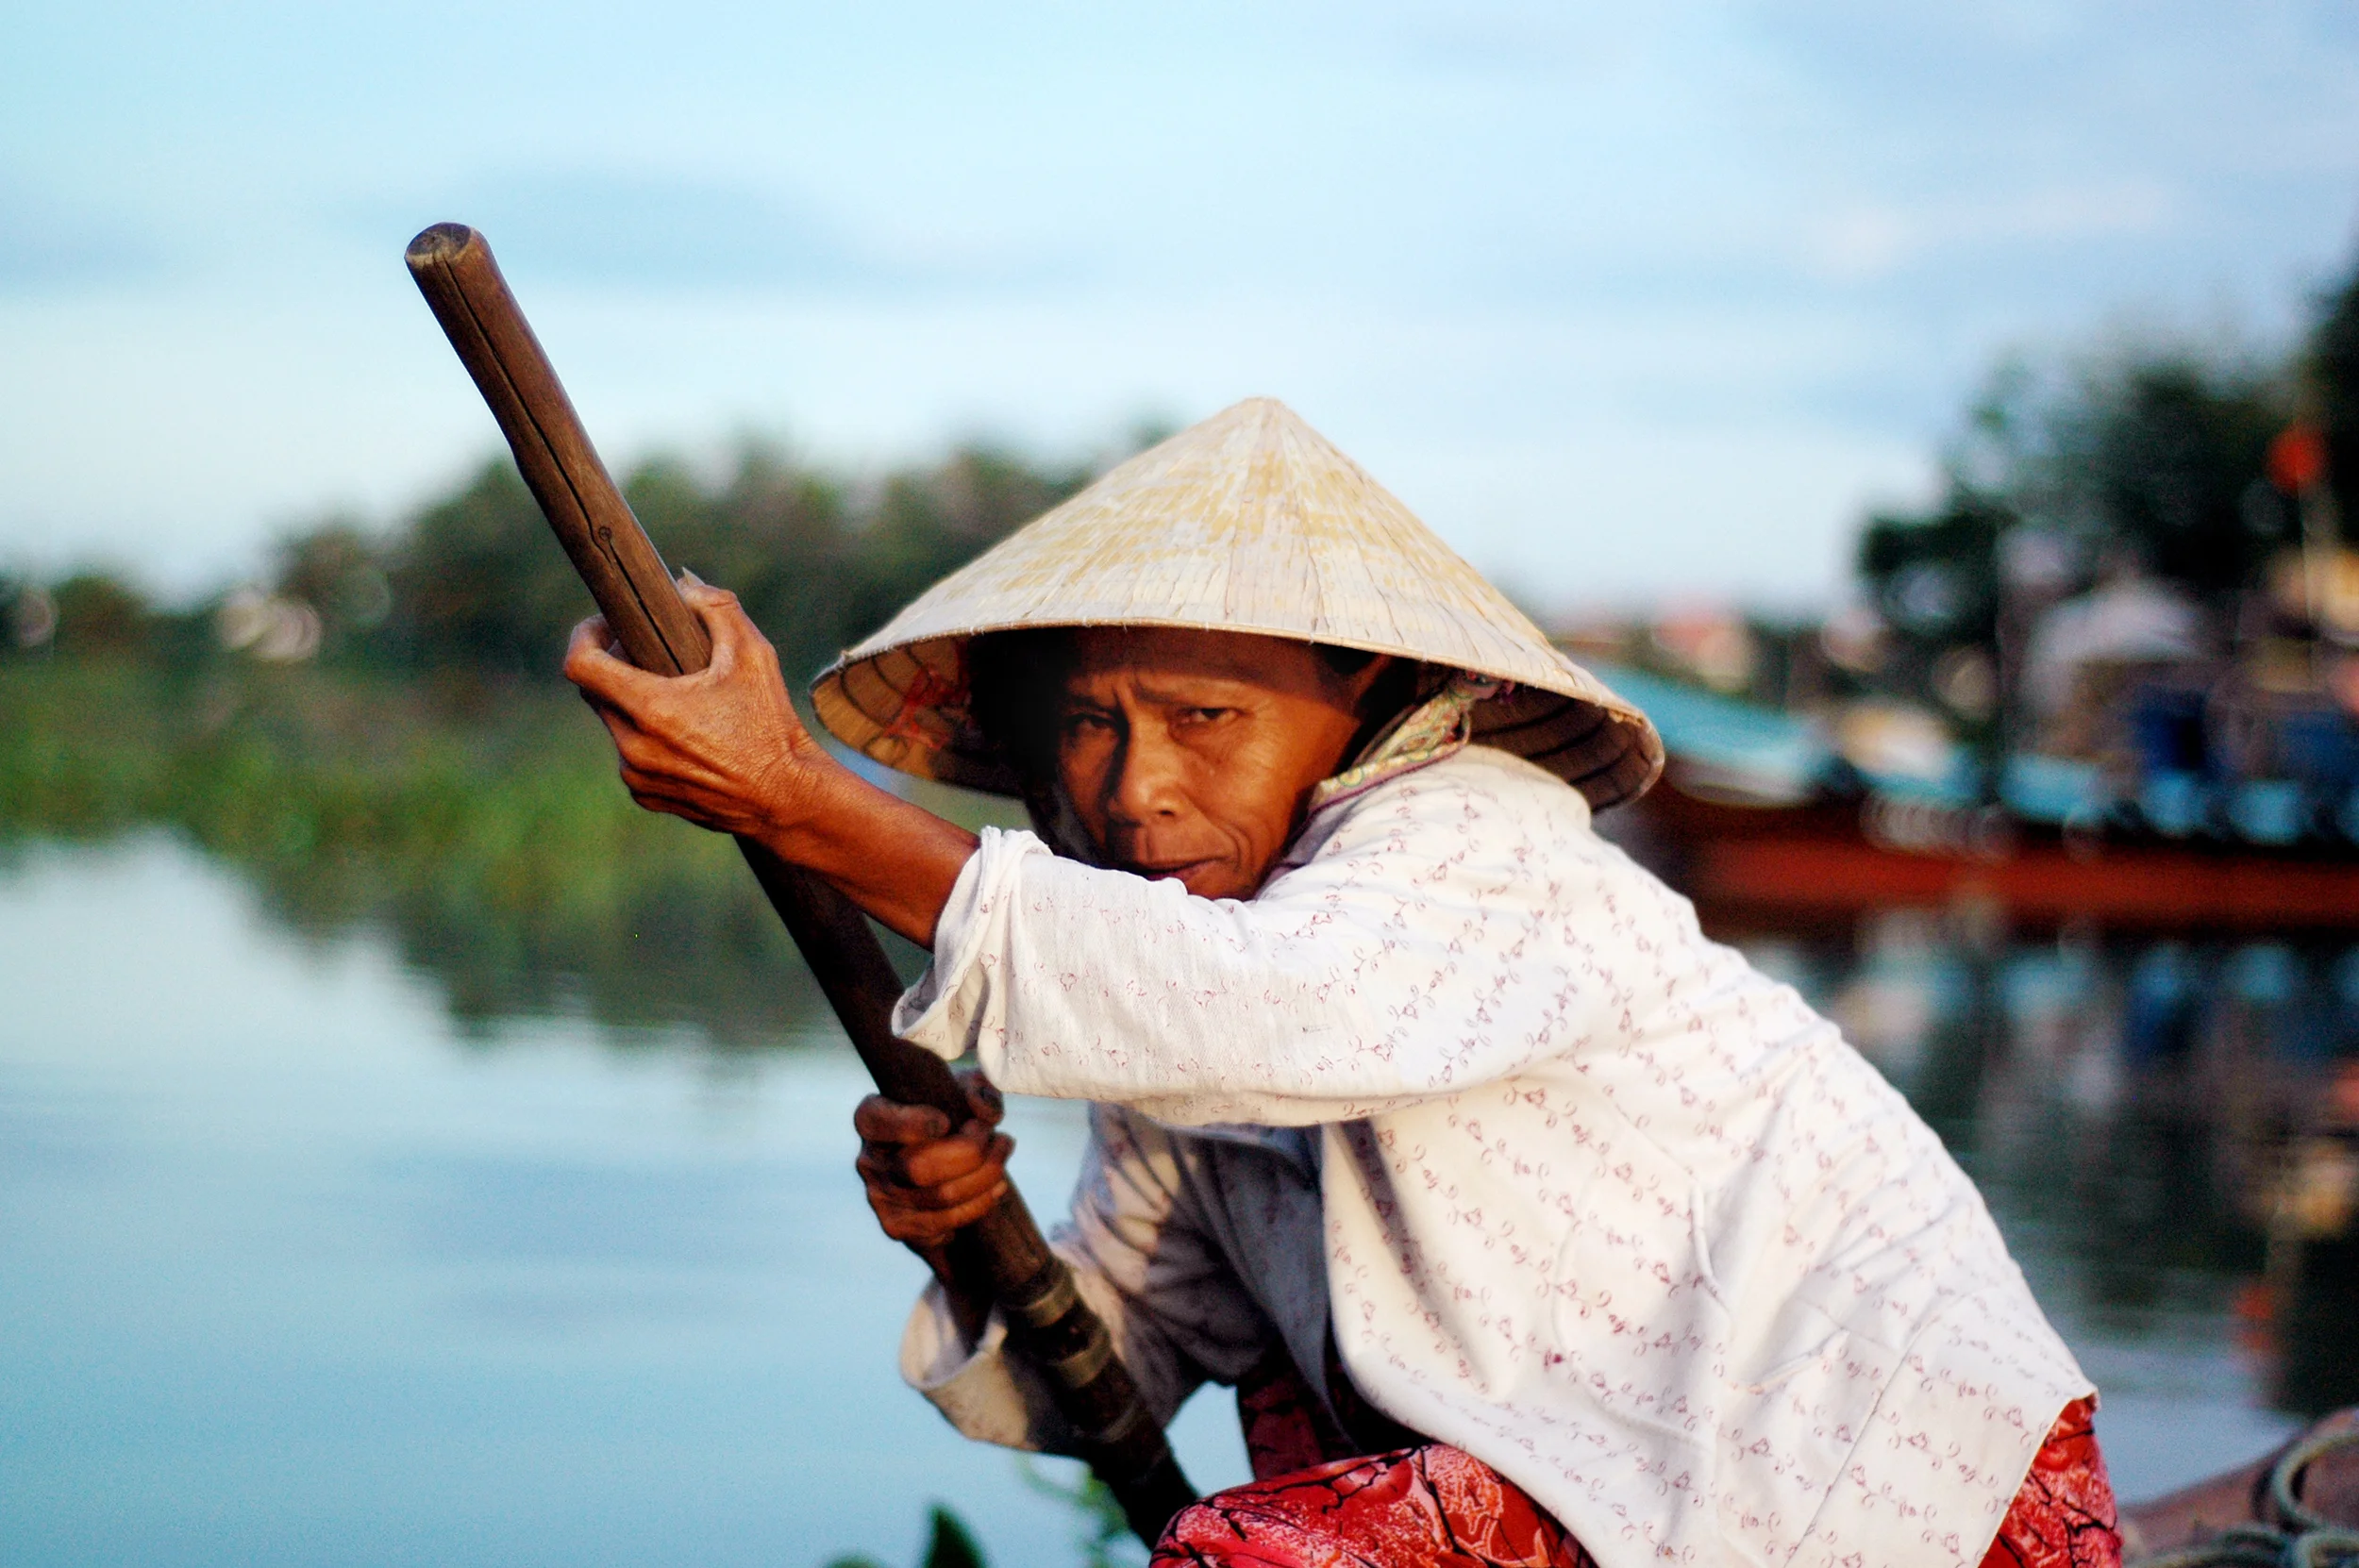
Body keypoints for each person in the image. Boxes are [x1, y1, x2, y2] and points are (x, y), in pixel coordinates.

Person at [565, 398, 2117, 1568]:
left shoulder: (1475, 840)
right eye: (1091, 731)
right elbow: (1103, 1367)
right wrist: (977, 1238)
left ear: (1356, 701)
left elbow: (1261, 1005)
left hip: (1899, 1488)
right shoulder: (1187, 988)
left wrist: (798, 798)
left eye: (1205, 718)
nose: (1137, 793)